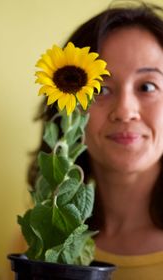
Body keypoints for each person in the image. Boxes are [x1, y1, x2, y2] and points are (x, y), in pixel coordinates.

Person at [27, 1, 163, 279]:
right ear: (67, 107)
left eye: (147, 86)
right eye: (101, 88)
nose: (125, 111)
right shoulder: (41, 243)